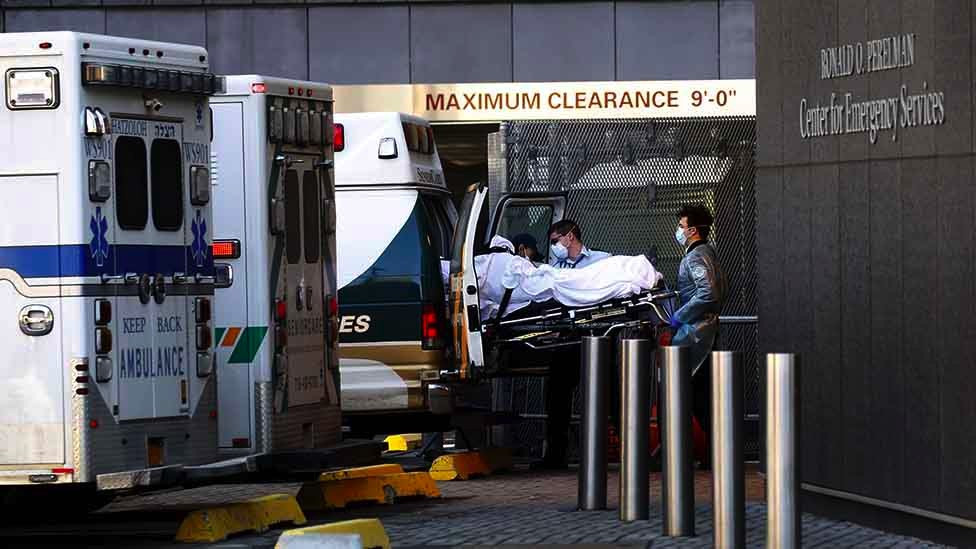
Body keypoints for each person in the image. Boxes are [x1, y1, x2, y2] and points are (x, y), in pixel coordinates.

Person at [542, 220, 610, 468]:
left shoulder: (601, 261)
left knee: (609, 396)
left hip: (597, 335)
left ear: (569, 237)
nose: (554, 246)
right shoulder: (554, 267)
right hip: (567, 336)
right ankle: (555, 456)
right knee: (557, 396)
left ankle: (622, 451)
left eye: (555, 240)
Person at [670, 203, 727, 468]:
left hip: (697, 334)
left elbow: (707, 293)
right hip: (705, 331)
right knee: (703, 395)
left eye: (681, 226)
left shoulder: (695, 257)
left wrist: (679, 315)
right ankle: (716, 452)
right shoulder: (707, 253)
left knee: (698, 395)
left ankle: (716, 453)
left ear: (692, 230)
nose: (678, 231)